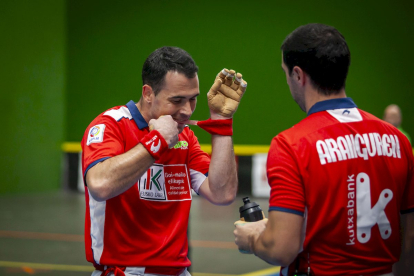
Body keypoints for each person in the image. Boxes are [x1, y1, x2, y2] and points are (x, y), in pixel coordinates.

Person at [234, 23, 414, 276]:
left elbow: (282, 249)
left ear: (298, 75)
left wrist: (252, 239)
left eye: (286, 73)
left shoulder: (292, 145)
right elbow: (410, 240)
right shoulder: (398, 140)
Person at [81, 46, 247, 276]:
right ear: (148, 93)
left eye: (193, 99)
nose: (187, 111)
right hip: (124, 271)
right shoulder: (111, 125)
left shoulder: (185, 137)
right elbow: (99, 185)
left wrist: (221, 122)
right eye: (177, 100)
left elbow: (222, 194)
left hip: (178, 271)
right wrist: (156, 142)